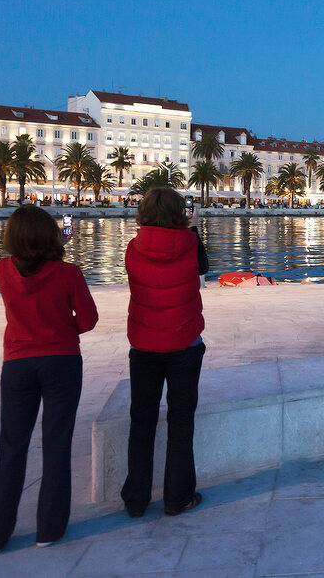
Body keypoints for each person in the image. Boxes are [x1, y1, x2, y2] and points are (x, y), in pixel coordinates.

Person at [0, 206, 98, 556]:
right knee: (56, 444)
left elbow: (30, 264)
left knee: (11, 448)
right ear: (50, 236)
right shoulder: (69, 274)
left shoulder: (2, 270)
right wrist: (64, 330)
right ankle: (49, 529)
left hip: (17, 363)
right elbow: (89, 319)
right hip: (61, 361)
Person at [121, 186, 209, 518]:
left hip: (143, 344)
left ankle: (136, 499)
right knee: (181, 421)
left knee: (141, 421)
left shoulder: (133, 248)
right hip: (184, 342)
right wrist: (193, 228)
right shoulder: (189, 245)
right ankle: (177, 497)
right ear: (179, 213)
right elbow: (203, 267)